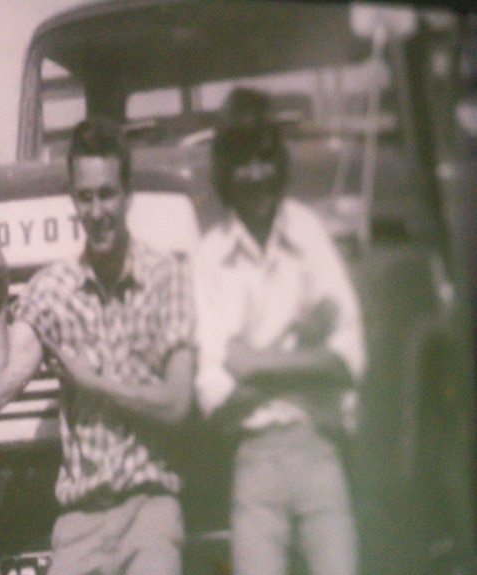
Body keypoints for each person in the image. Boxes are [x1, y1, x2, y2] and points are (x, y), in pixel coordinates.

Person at [0, 117, 195, 575]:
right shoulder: (53, 289)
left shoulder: (164, 279)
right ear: (73, 199)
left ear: (127, 195)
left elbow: (178, 402)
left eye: (108, 194)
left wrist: (93, 382)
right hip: (79, 524)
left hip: (149, 512)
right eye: (85, 196)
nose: (97, 212)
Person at [194, 87, 366, 575]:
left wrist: (254, 360)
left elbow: (347, 359)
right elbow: (216, 395)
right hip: (253, 466)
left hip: (320, 451)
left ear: (280, 162)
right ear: (226, 171)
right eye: (242, 162)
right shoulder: (210, 257)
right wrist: (303, 353)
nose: (256, 175)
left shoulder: (308, 233)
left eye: (266, 159)